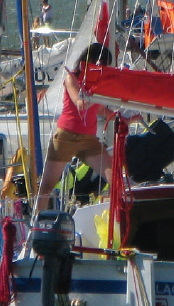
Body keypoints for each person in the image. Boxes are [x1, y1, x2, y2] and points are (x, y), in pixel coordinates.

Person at [35, 43, 118, 214]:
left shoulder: (99, 83)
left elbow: (100, 109)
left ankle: (120, 215)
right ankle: (34, 221)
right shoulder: (71, 78)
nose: (101, 67)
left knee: (115, 178)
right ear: (90, 60)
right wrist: (95, 94)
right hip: (66, 137)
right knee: (47, 186)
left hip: (88, 140)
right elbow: (80, 104)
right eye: (100, 63)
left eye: (105, 64)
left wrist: (121, 118)